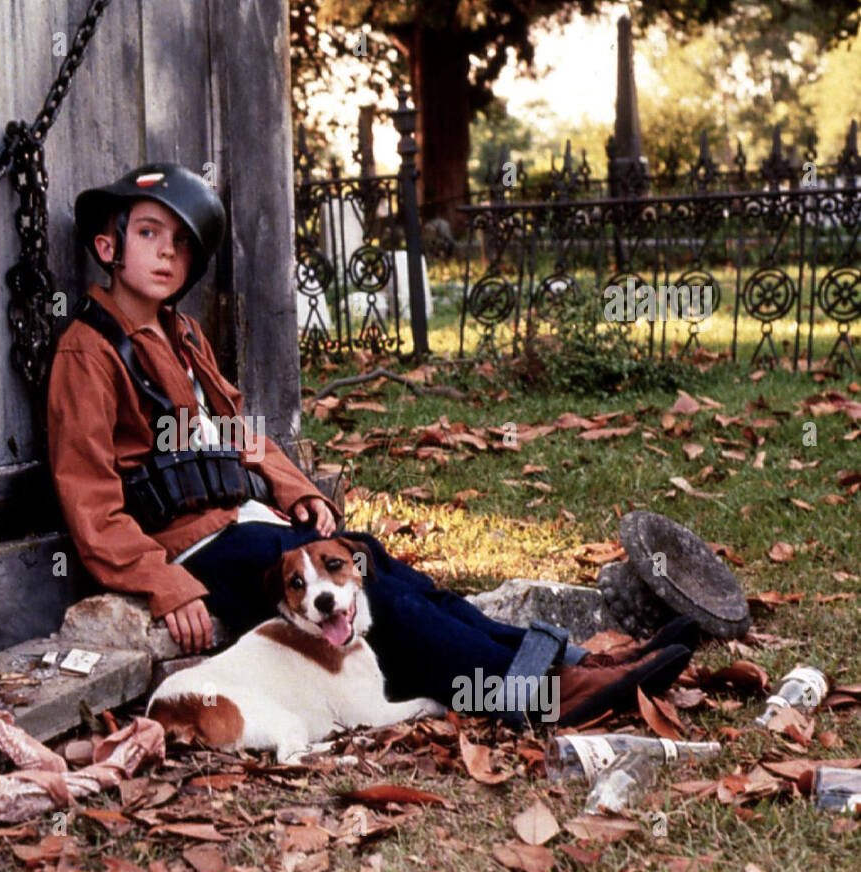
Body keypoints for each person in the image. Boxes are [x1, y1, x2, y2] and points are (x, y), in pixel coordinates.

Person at [45, 161, 695, 728]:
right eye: (149, 234)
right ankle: (525, 690)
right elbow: (89, 502)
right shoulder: (89, 351)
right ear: (108, 246)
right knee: (367, 593)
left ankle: (565, 657)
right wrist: (164, 583)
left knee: (383, 564)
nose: (167, 253)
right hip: (198, 547)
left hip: (248, 524)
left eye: (182, 244)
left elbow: (239, 433)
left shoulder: (179, 334)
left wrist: (296, 488)